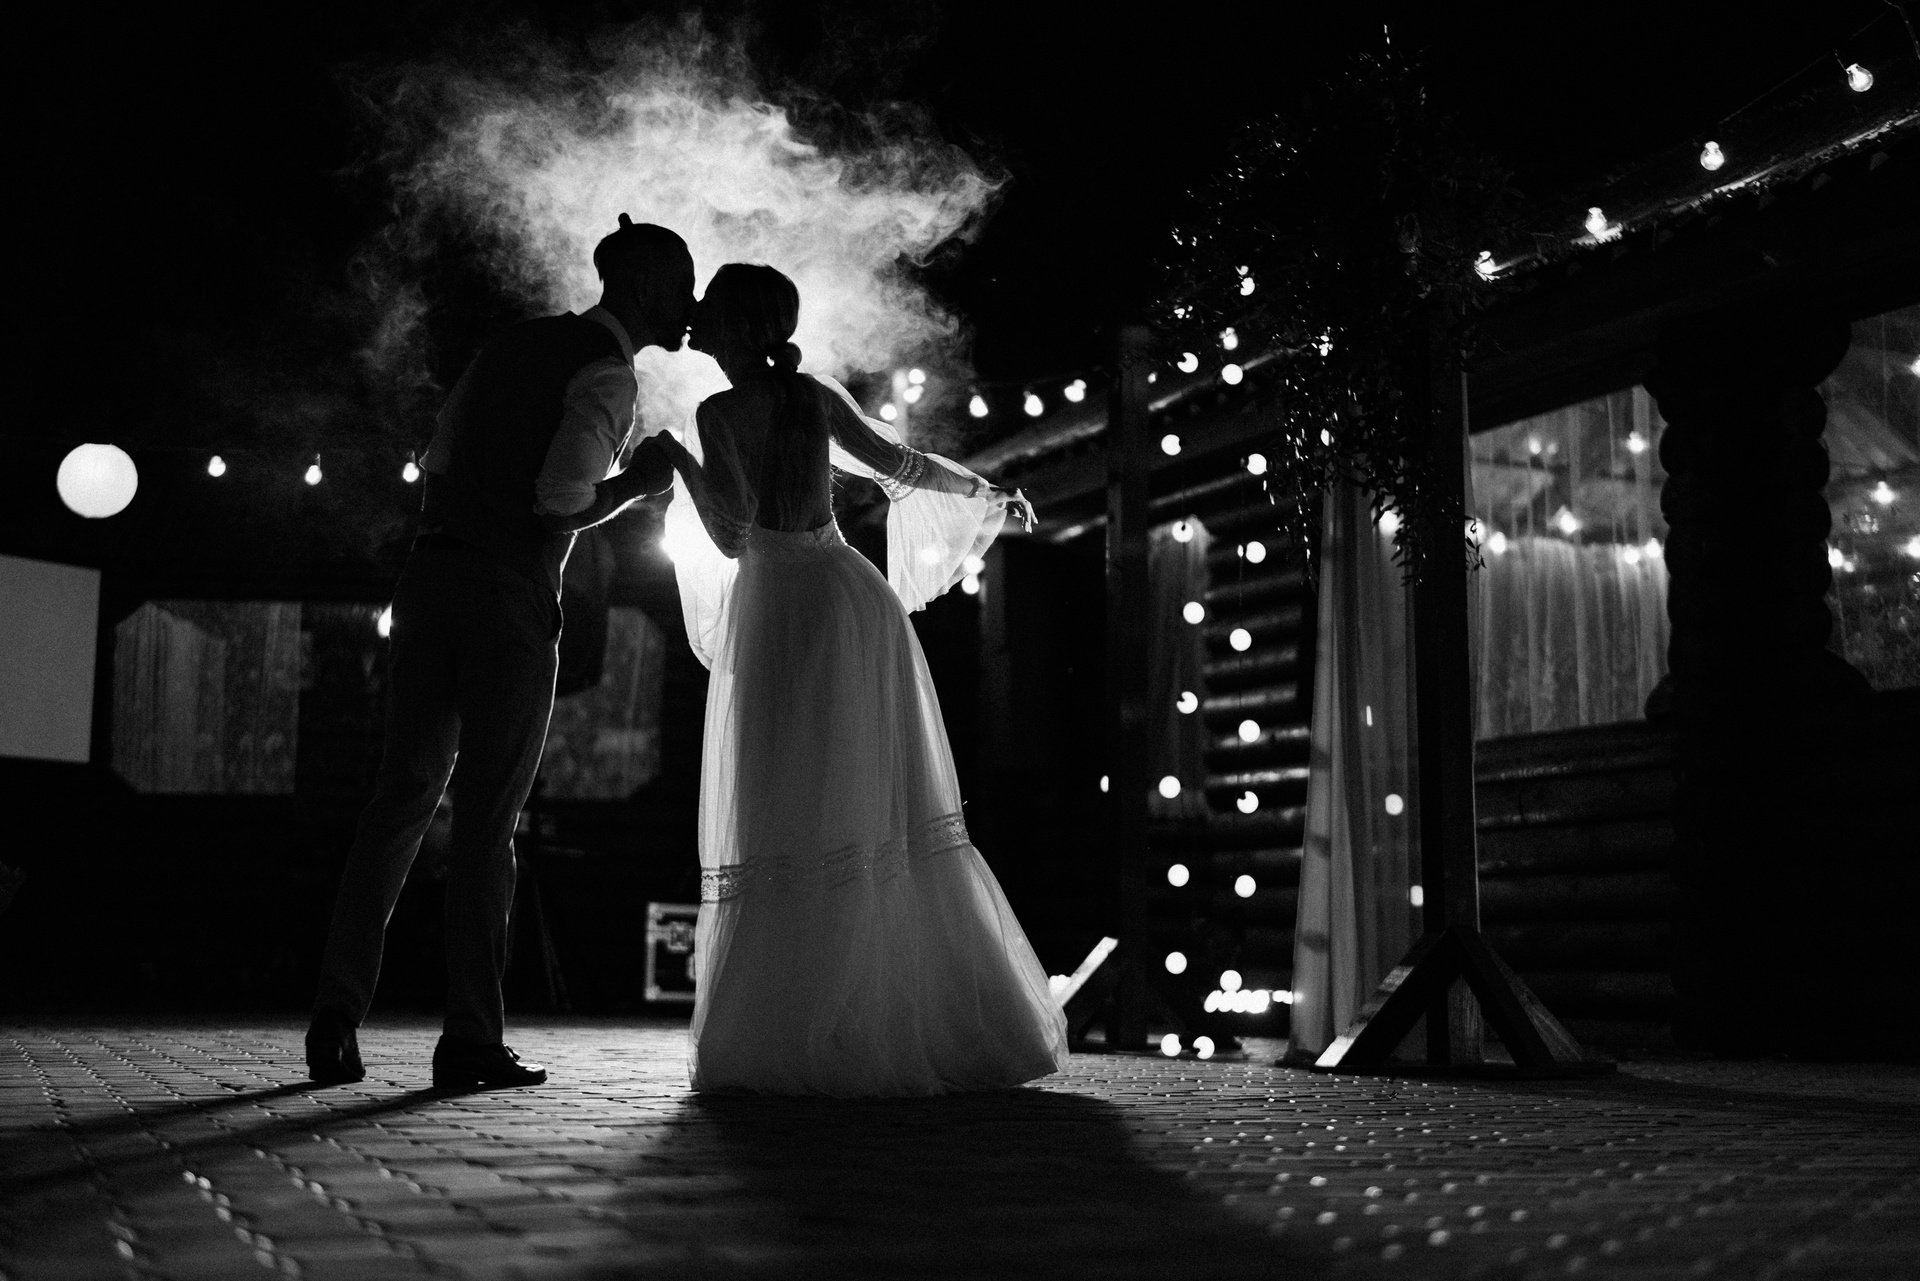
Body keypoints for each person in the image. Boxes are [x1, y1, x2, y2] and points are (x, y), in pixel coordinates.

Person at [654, 262, 1069, 1095]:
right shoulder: (812, 396)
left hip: (778, 604)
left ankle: (808, 1019)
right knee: (875, 798)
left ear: (737, 326)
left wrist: (675, 460)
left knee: (786, 798)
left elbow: (734, 537)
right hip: (847, 600)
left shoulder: (715, 414)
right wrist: (985, 492)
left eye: (710, 315)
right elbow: (902, 464)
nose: (695, 324)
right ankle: (904, 1014)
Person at [305, 218, 696, 1090]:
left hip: (430, 575)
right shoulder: (608, 371)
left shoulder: (507, 345)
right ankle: (471, 1038)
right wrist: (639, 483)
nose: (692, 304)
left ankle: (336, 1011)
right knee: (487, 824)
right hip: (507, 597)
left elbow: (438, 460)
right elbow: (558, 500)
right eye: (681, 286)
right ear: (639, 288)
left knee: (397, 803)